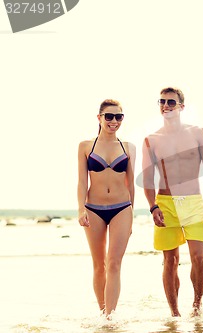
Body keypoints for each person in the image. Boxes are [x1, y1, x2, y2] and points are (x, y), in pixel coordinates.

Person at [142, 87, 203, 317]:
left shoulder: (197, 133)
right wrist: (152, 206)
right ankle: (174, 313)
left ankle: (196, 305)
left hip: (193, 201)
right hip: (165, 202)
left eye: (171, 102)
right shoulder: (151, 140)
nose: (166, 105)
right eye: (162, 101)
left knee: (198, 256)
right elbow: (147, 179)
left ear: (181, 106)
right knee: (170, 260)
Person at [77, 99, 136, 318]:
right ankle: (102, 312)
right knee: (99, 265)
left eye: (118, 117)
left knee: (114, 263)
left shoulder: (128, 147)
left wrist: (132, 213)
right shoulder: (85, 146)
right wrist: (80, 209)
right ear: (99, 118)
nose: (113, 121)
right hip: (93, 208)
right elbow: (82, 182)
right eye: (109, 116)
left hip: (122, 208)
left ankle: (110, 318)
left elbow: (131, 183)